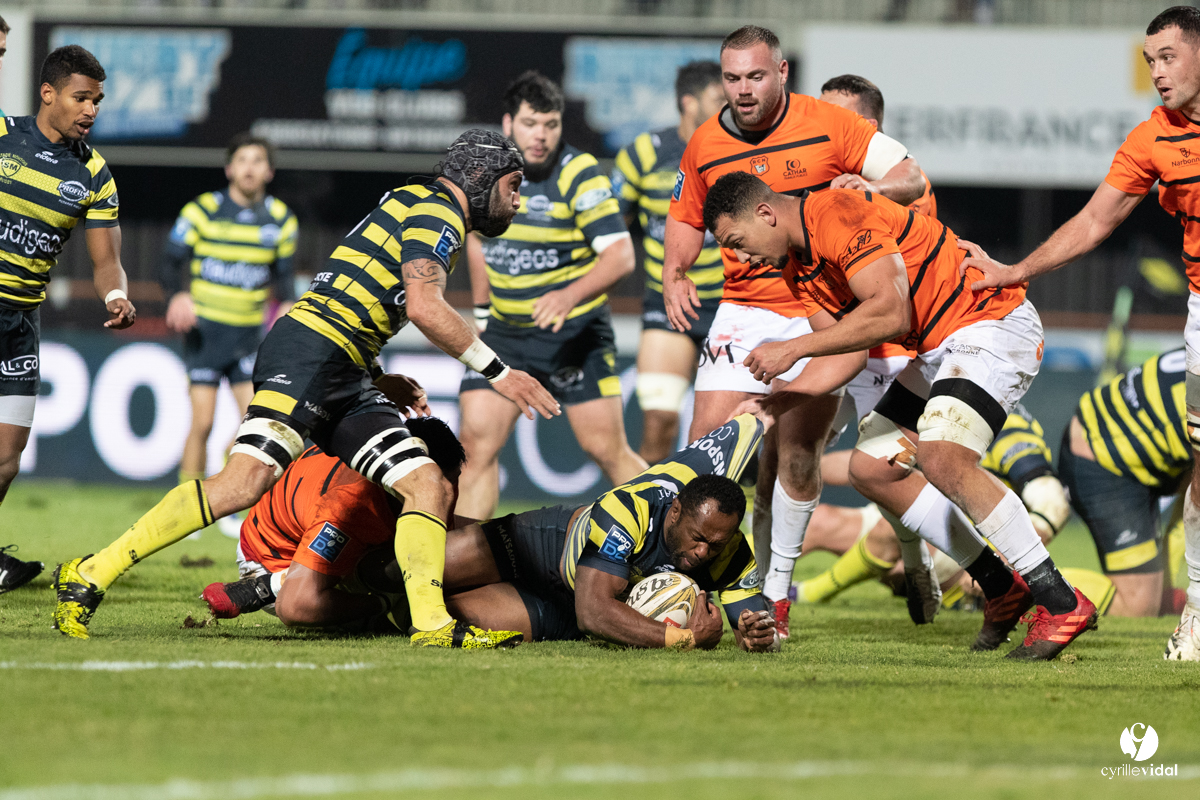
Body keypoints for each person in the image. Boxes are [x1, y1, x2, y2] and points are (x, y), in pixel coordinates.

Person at [52, 129, 560, 648]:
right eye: (513, 185)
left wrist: (374, 375)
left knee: (425, 484)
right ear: (479, 178)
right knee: (243, 483)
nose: (518, 199)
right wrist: (501, 372)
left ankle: (432, 626)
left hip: (339, 364)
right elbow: (424, 305)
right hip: (313, 354)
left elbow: (354, 288)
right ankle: (91, 572)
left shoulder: (416, 202)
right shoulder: (439, 213)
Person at [703, 171, 1096, 660]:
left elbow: (890, 315)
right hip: (939, 348)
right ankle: (1001, 587)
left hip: (990, 325)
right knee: (871, 469)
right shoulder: (795, 267)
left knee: (943, 457)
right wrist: (773, 403)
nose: (740, 257)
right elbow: (847, 355)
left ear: (765, 213)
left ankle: (1059, 602)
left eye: (736, 242)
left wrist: (792, 348)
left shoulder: (837, 214)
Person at [664, 26, 927, 636]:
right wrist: (676, 271)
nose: (744, 90)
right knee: (705, 451)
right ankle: (696, 588)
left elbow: (911, 177)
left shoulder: (830, 123)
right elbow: (684, 216)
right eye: (732, 78)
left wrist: (871, 189)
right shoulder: (705, 142)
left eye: (756, 76)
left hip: (826, 306)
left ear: (782, 72)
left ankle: (777, 600)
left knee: (803, 456)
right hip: (745, 306)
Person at [958, 6, 1200, 659]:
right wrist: (1017, 268)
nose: (1157, 72)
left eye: (1169, 57)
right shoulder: (1153, 138)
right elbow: (1095, 222)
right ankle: (1199, 613)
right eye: (1150, 61)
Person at [207, 411, 779, 652]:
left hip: (558, 602)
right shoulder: (627, 514)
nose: (703, 553)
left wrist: (753, 633)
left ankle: (328, 599)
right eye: (698, 539)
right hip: (534, 547)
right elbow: (595, 612)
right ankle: (281, 586)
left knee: (445, 617)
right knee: (402, 570)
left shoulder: (724, 545)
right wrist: (683, 639)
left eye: (717, 545)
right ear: (675, 512)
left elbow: (752, 619)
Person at [457, 71, 645, 520]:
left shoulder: (579, 174)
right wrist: (482, 312)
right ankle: (466, 563)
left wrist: (568, 296)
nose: (540, 136)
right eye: (530, 124)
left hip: (574, 336)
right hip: (504, 334)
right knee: (476, 447)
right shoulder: (489, 173)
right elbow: (478, 242)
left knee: (605, 448)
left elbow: (620, 258)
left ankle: (673, 535)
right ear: (508, 123)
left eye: (551, 124)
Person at [0, 45, 135, 594]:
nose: (91, 110)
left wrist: (116, 297)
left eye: (98, 101)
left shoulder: (94, 173)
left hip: (18, 326)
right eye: (82, 97)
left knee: (7, 458)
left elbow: (107, 263)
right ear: (48, 93)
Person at [202, 416, 464, 632]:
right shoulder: (351, 504)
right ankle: (271, 584)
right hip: (274, 559)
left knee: (451, 555)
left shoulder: (411, 473)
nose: (449, 493)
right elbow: (296, 605)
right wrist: (384, 601)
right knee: (420, 567)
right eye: (442, 484)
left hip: (316, 525)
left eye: (455, 480)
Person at [161, 133, 297, 510]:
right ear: (229, 168)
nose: (249, 168)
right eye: (242, 160)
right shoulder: (202, 210)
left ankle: (226, 499)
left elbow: (283, 278)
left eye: (257, 161)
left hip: (249, 338)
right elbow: (169, 263)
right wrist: (177, 294)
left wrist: (286, 304)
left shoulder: (282, 220)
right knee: (201, 423)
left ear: (268, 171)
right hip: (205, 334)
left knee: (252, 428)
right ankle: (185, 508)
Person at [613, 61, 725, 464]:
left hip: (730, 308)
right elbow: (612, 228)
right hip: (669, 305)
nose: (728, 104)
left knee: (721, 434)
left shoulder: (740, 151)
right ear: (688, 102)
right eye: (718, 97)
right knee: (659, 420)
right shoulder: (644, 154)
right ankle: (648, 522)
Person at [1058, 348, 1193, 617]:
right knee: (1138, 605)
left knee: (1153, 601)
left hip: (1142, 451)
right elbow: (1196, 499)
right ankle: (1007, 583)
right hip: (1102, 457)